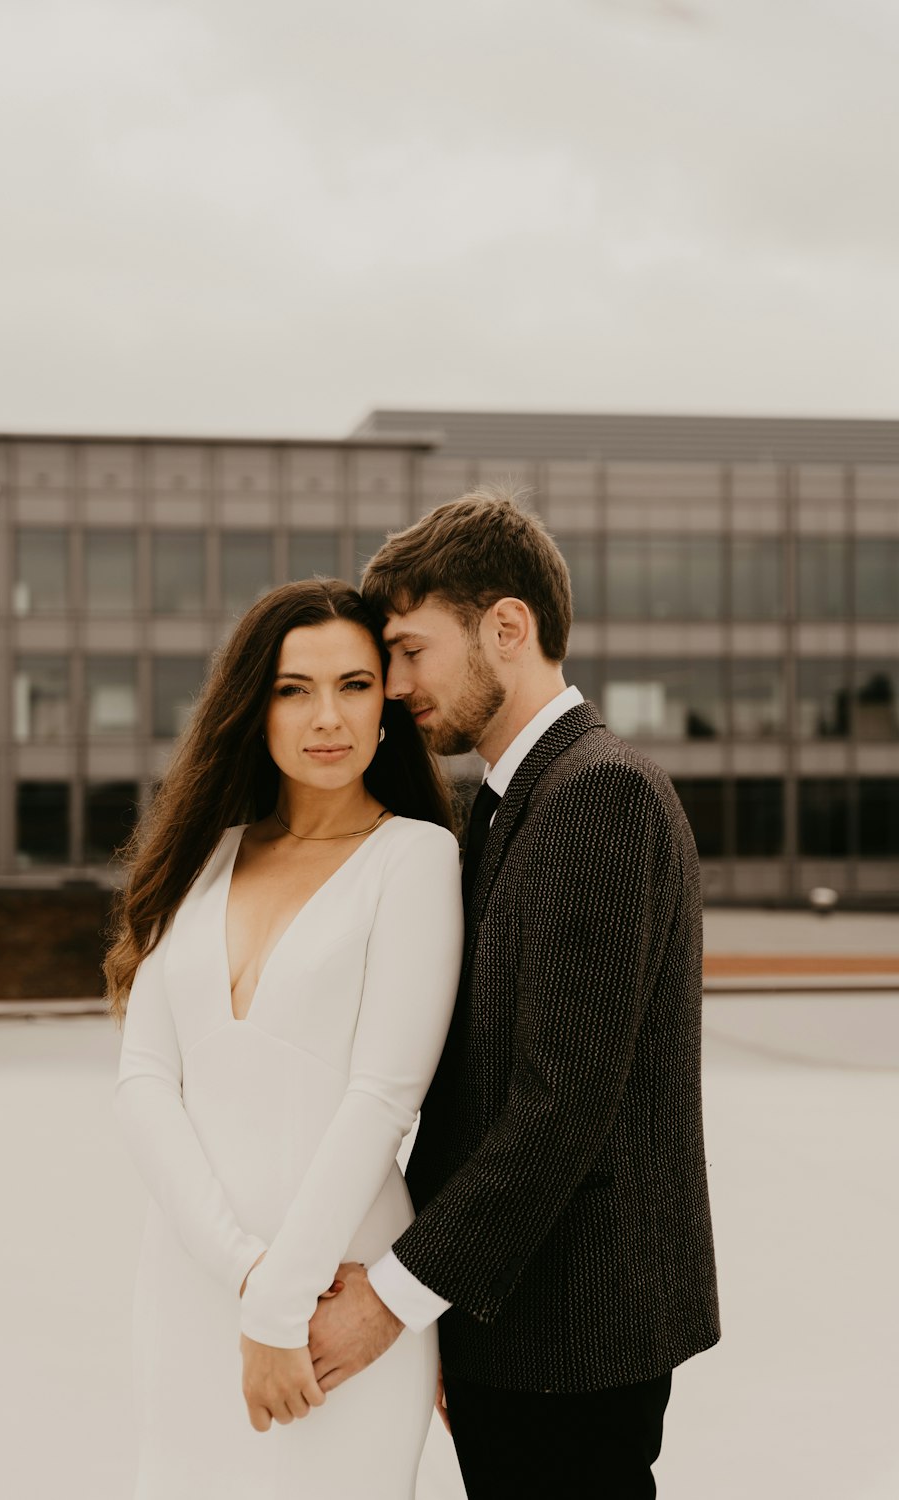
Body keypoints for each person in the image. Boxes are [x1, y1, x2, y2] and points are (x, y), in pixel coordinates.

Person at [307, 490, 721, 1499]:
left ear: (506, 625)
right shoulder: (503, 808)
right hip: (512, 1321)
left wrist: (395, 1299)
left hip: (571, 1334)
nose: (395, 685)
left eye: (409, 650)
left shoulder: (596, 796)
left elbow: (557, 1106)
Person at [106, 579, 463, 1499]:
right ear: (252, 705)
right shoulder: (201, 855)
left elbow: (384, 1097)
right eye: (294, 688)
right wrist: (241, 1274)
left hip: (332, 1299)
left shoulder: (416, 858)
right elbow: (145, 1080)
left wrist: (281, 1301)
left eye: (354, 684)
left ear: (387, 702)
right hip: (189, 1287)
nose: (327, 717)